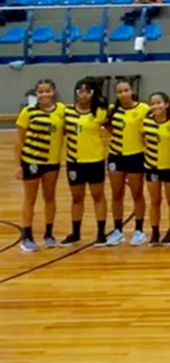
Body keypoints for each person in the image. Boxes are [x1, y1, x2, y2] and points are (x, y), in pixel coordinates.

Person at [14, 79, 65, 252]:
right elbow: (19, 140)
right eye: (40, 92)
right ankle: (27, 236)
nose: (44, 95)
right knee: (30, 199)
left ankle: (49, 234)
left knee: (49, 197)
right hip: (32, 161)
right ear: (36, 94)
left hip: (52, 162)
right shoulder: (28, 112)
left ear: (53, 92)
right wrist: (18, 165)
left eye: (47, 91)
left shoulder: (62, 111)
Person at [59, 79, 110, 247]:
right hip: (74, 161)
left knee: (98, 196)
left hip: (95, 160)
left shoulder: (100, 112)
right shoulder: (67, 112)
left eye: (87, 91)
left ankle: (101, 233)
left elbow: (113, 128)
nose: (83, 94)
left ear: (93, 93)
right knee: (77, 197)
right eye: (80, 91)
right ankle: (75, 233)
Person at [105, 78, 149, 245]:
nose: (123, 94)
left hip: (136, 155)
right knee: (117, 194)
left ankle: (138, 230)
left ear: (132, 91)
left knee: (137, 193)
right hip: (116, 155)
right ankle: (117, 230)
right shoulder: (112, 110)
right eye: (119, 92)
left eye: (126, 90)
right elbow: (108, 126)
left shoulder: (144, 109)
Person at [142, 92, 170, 247]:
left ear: (166, 104)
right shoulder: (145, 123)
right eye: (153, 103)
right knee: (155, 201)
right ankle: (155, 231)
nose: (156, 106)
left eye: (159, 103)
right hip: (152, 167)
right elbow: (142, 140)